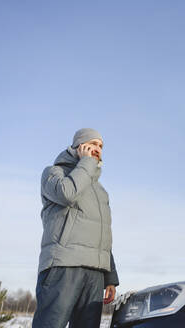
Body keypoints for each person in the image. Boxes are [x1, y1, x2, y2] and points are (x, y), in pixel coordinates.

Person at [32, 128, 119, 328]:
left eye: (101, 146)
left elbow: (102, 235)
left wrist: (110, 277)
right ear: (80, 145)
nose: (98, 149)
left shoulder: (100, 191)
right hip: (64, 265)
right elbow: (66, 194)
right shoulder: (54, 173)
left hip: (95, 273)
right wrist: (86, 162)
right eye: (93, 143)